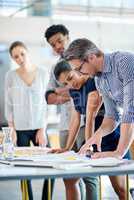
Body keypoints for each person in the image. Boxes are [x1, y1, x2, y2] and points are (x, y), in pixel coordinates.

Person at [53, 59, 131, 200]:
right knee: (70, 180)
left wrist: (90, 146)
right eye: (65, 83)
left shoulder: (93, 82)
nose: (70, 84)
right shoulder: (73, 91)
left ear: (76, 69)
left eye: (70, 78)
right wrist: (67, 148)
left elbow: (90, 118)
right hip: (92, 140)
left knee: (120, 189)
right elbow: (76, 119)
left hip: (110, 138)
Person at [44, 25, 99, 200]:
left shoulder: (83, 62)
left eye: (59, 40)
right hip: (66, 126)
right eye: (53, 44)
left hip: (86, 125)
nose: (57, 46)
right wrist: (69, 90)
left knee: (89, 176)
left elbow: (85, 88)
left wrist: (63, 91)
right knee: (69, 178)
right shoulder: (56, 69)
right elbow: (49, 97)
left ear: (68, 37)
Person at [5, 41, 48, 200]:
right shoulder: (10, 76)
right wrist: (12, 130)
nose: (20, 58)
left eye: (22, 54)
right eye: (16, 56)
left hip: (39, 129)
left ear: (27, 52)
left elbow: (46, 104)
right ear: (13, 59)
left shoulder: (43, 73)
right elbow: (9, 105)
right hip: (20, 129)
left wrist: (43, 128)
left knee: (49, 166)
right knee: (23, 169)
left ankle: (46, 197)